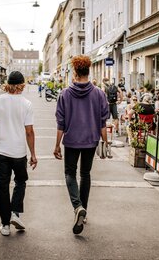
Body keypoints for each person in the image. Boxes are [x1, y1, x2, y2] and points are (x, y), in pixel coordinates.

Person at [54, 55, 109, 235]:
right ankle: (83, 211)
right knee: (85, 173)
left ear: (75, 72)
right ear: (88, 71)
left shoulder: (65, 94)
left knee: (70, 173)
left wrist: (57, 145)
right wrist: (105, 142)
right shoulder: (99, 93)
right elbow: (103, 122)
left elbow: (60, 123)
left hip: (70, 140)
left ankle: (77, 206)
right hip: (91, 140)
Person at [0, 71, 37, 236]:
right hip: (19, 152)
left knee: (2, 188)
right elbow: (30, 131)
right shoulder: (26, 104)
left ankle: (5, 225)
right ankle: (15, 213)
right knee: (20, 181)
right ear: (22, 85)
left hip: (1, 152)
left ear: (8, 84)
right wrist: (33, 154)